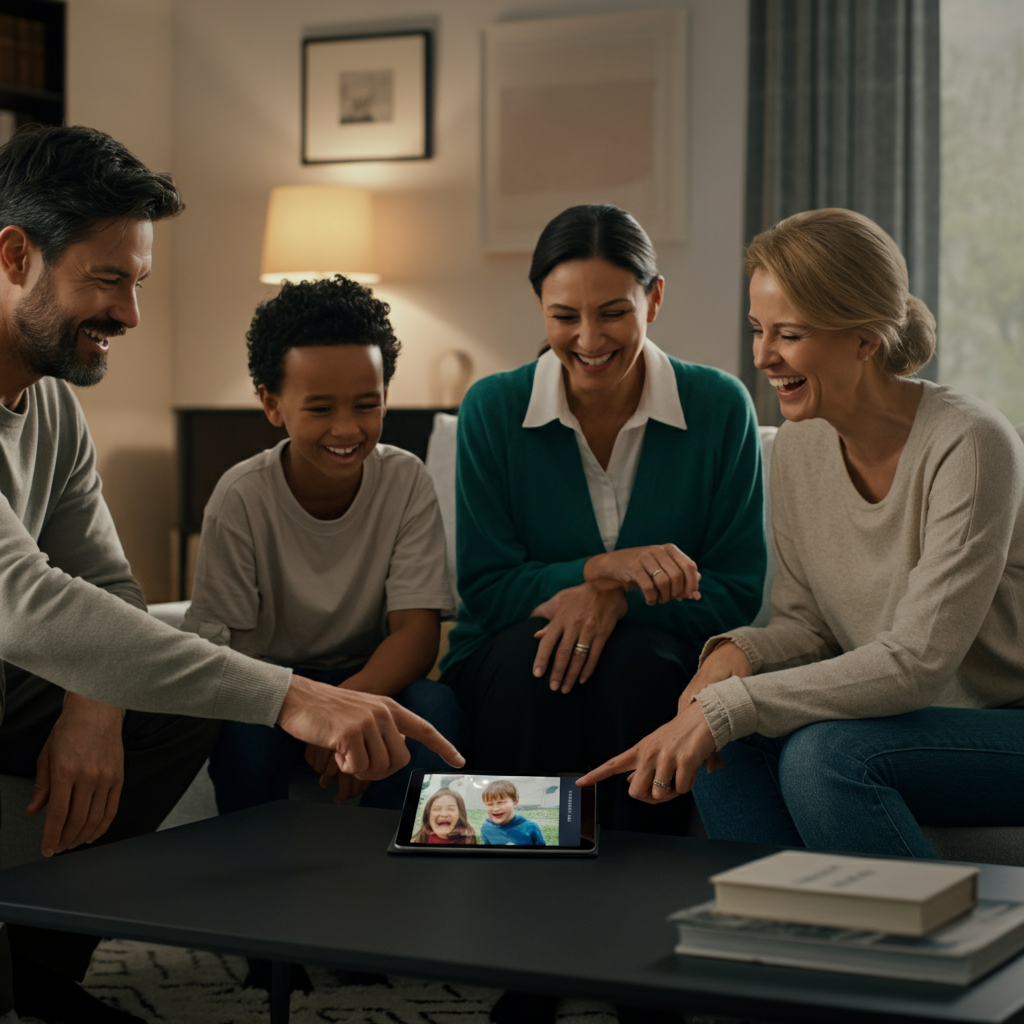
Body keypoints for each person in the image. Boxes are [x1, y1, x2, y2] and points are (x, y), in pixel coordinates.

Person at [0, 124, 462, 1024]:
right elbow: (24, 602)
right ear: (16, 255)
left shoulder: (50, 404)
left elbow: (110, 588)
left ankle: (43, 975)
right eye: (107, 280)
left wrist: (97, 703)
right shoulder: (241, 488)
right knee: (203, 687)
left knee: (165, 694)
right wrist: (296, 697)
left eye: (137, 282)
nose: (132, 315)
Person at [579, 207, 1024, 861]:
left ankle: (926, 958)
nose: (761, 356)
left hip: (1003, 725)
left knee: (825, 758)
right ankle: (785, 944)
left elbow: (919, 663)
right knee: (726, 746)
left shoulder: (972, 444)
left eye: (788, 334)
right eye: (758, 330)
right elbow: (808, 625)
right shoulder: (797, 447)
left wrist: (732, 704)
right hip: (906, 724)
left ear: (865, 338)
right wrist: (735, 658)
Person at [439, 204, 766, 839]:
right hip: (510, 660)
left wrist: (614, 598)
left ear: (655, 299)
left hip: (655, 660)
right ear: (539, 305)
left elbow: (736, 595)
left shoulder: (721, 407)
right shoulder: (493, 409)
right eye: (565, 316)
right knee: (534, 669)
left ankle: (641, 898)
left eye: (613, 312)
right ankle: (506, 895)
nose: (589, 340)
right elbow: (486, 588)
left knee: (640, 668)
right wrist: (600, 569)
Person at [184, 275, 463, 816]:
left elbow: (416, 634)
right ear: (272, 404)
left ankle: (390, 864)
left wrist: (347, 710)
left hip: (370, 678)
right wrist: (307, 708)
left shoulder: (406, 481)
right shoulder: (241, 497)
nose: (347, 428)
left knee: (436, 706)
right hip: (268, 688)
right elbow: (227, 658)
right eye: (319, 409)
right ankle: (257, 870)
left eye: (367, 404)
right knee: (238, 727)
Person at [479, 780, 545, 846]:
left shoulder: (530, 827)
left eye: (501, 803)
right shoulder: (486, 828)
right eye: (490, 804)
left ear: (515, 802)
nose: (496, 809)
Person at [413, 787, 477, 845]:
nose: (444, 814)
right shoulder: (417, 843)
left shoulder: (468, 842)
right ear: (428, 816)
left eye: (451, 809)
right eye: (437, 809)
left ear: (460, 815)